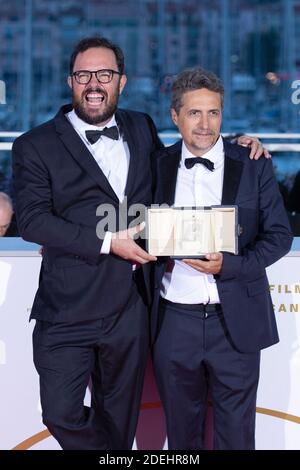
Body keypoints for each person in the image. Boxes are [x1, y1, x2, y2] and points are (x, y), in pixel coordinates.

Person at [12, 36, 268, 451]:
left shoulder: (140, 126)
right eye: (84, 75)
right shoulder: (33, 145)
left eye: (105, 74)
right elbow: (34, 220)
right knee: (60, 412)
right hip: (67, 310)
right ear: (70, 81)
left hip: (130, 310)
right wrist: (107, 242)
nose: (94, 83)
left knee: (120, 421)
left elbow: (183, 150)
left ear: (122, 81)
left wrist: (238, 141)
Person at [151, 67, 293, 450]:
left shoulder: (252, 161)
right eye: (194, 113)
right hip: (173, 320)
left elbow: (279, 236)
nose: (205, 123)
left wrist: (228, 267)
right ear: (175, 116)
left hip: (236, 322)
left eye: (213, 112)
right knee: (181, 436)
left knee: (237, 436)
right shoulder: (154, 165)